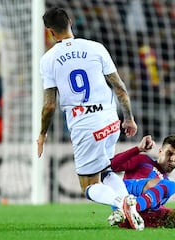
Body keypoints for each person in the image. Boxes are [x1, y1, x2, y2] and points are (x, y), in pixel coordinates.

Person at [37, 7, 143, 230]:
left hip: (85, 125)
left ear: (50, 32)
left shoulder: (48, 60)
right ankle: (129, 207)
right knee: (106, 171)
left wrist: (42, 134)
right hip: (110, 119)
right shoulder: (96, 48)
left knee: (88, 186)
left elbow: (49, 105)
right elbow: (120, 88)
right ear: (70, 22)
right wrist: (129, 119)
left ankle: (120, 202)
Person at [108, 135, 175, 229]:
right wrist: (137, 149)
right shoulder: (144, 161)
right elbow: (113, 165)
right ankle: (131, 208)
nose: (172, 158)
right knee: (171, 185)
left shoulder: (165, 182)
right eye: (169, 153)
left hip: (140, 216)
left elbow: (153, 203)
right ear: (160, 152)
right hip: (127, 194)